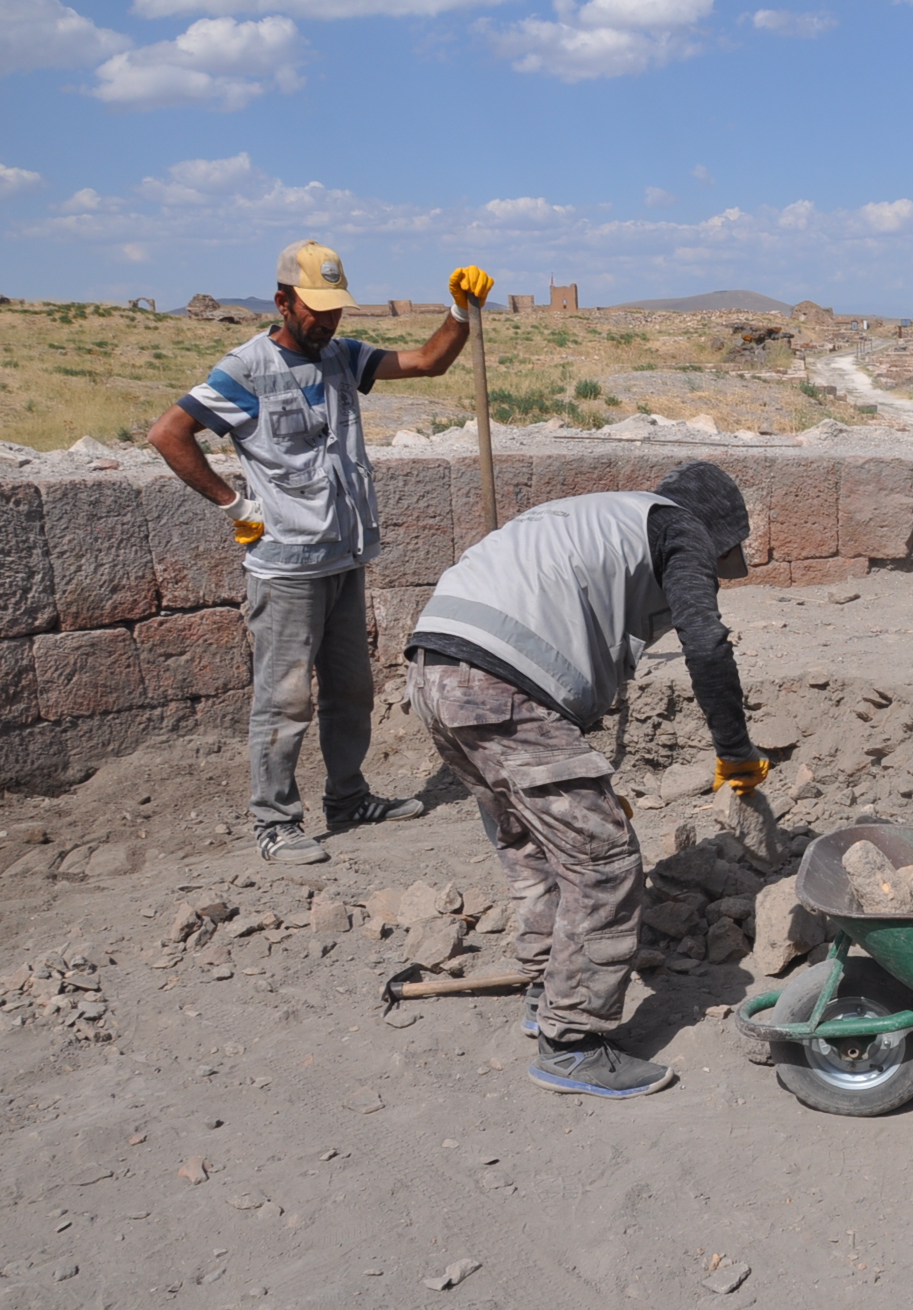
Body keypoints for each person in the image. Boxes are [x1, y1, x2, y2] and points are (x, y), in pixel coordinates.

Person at [404, 461, 768, 1099]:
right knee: (601, 860)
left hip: (433, 670)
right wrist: (735, 750)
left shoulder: (597, 516)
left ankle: (549, 993)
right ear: (717, 532)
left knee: (535, 848)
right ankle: (572, 1042)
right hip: (497, 685)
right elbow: (706, 644)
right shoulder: (678, 529)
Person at [147, 240, 495, 865]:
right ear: (283, 301)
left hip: (343, 557)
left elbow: (425, 363)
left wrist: (459, 311)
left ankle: (348, 797)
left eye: (336, 309)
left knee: (350, 690)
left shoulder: (342, 357)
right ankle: (275, 821)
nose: (329, 321)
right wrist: (234, 505)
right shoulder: (247, 368)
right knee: (284, 698)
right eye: (316, 310)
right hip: (285, 567)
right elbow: (168, 433)